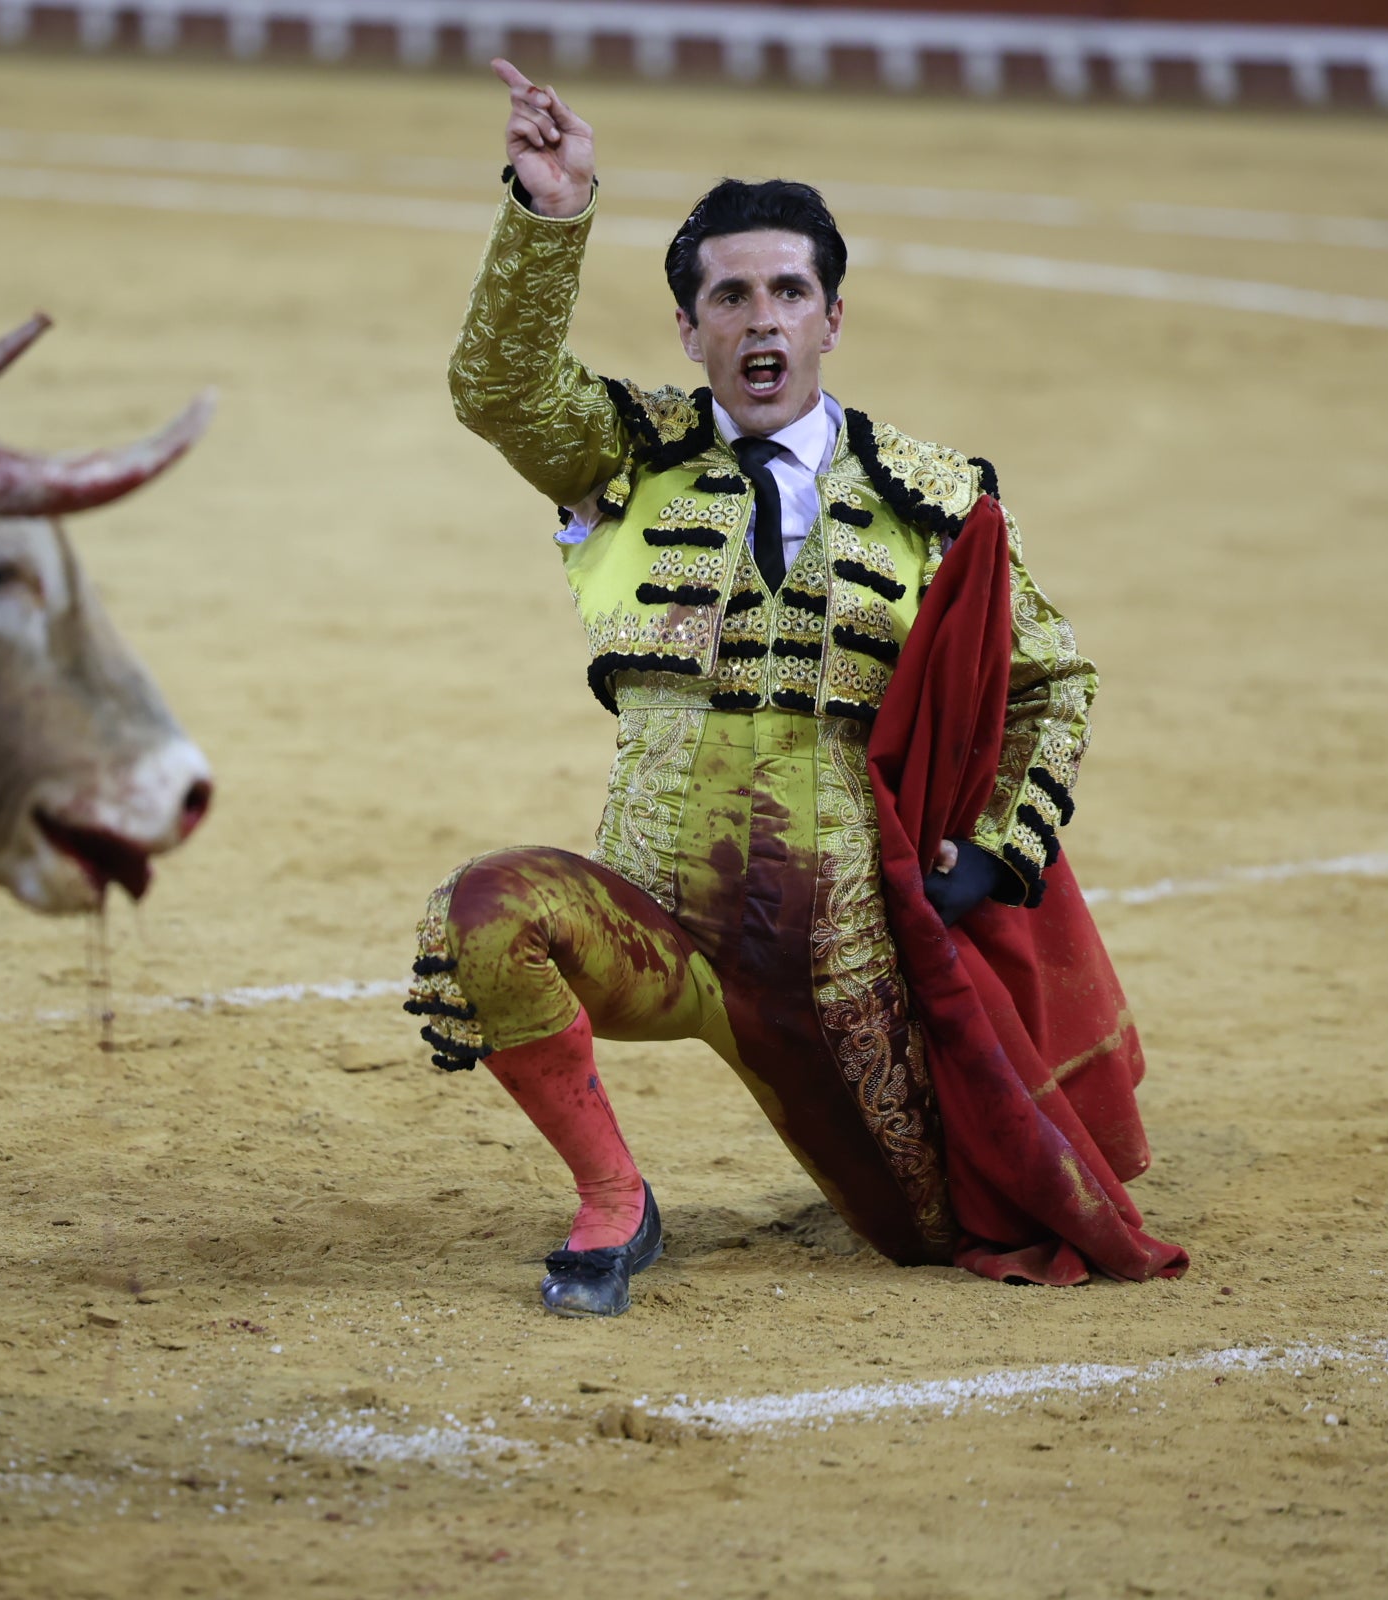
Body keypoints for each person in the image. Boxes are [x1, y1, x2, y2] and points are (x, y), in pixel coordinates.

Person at [408, 60, 1180, 1317]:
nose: (760, 320)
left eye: (787, 292)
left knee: (941, 1234)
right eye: (730, 296)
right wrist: (550, 212)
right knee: (487, 910)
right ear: (690, 328)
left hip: (843, 964)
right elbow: (494, 390)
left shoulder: (937, 500)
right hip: (657, 924)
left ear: (831, 318)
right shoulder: (626, 451)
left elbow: (1053, 682)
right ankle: (614, 1196)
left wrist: (998, 855)